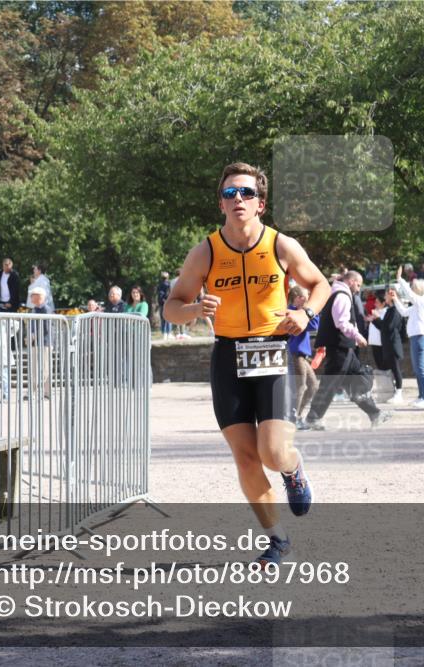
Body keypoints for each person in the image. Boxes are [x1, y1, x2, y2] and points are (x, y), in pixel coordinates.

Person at [163, 161, 330, 568]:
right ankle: (278, 541)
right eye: (229, 193)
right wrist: (194, 309)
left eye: (247, 193)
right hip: (228, 356)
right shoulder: (205, 252)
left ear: (261, 203)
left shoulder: (280, 245)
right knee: (245, 457)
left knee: (272, 452)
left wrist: (306, 314)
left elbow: (320, 285)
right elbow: (171, 309)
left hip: (272, 352)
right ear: (220, 204)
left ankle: (293, 469)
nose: (238, 199)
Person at [307, 271, 391, 424]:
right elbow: (342, 323)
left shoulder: (336, 292)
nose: (359, 289)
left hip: (344, 347)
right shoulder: (342, 295)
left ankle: (375, 414)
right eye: (358, 284)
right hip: (340, 346)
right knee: (330, 384)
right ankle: (313, 418)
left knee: (357, 382)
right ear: (351, 281)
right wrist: (357, 336)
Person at [393, 264, 424, 408]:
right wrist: (395, 300)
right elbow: (404, 312)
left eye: (414, 287)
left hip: (419, 337)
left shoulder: (422, 301)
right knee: (417, 369)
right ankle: (422, 396)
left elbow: (410, 294)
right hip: (416, 337)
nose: (412, 289)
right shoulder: (417, 304)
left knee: (420, 368)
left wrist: (400, 279)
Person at [286, 285, 320, 429]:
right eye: (307, 296)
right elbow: (314, 324)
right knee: (300, 386)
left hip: (301, 354)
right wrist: (307, 309)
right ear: (299, 298)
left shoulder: (301, 312)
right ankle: (292, 419)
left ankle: (297, 415)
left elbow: (314, 324)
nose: (309, 299)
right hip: (295, 354)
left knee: (313, 385)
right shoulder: (293, 312)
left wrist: (308, 309)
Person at [370, 286, 408, 405]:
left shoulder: (394, 310)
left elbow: (388, 328)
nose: (385, 296)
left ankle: (399, 394)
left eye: (387, 294)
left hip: (393, 344)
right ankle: (391, 393)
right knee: (391, 369)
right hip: (388, 344)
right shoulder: (391, 310)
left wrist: (376, 319)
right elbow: (385, 327)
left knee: (395, 369)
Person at [157, 271, 173, 339]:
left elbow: (158, 294)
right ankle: (169, 333)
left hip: (161, 303)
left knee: (163, 318)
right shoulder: (169, 284)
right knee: (169, 318)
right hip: (168, 303)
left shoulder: (159, 285)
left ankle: (164, 333)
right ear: (167, 277)